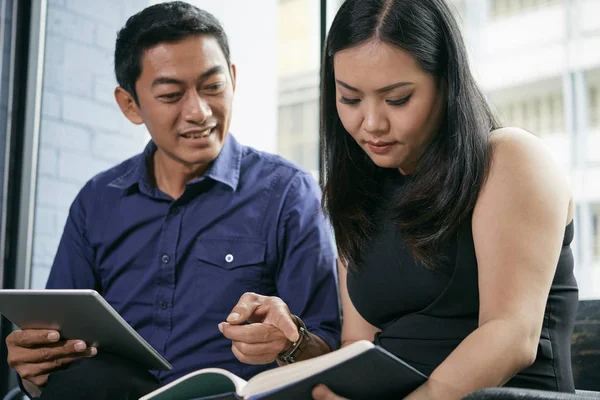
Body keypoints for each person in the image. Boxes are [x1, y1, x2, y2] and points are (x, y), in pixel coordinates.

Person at [220, 0, 578, 399]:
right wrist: (293, 343)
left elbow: (512, 335)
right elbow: (360, 353)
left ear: (446, 83)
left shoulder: (510, 158)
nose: (371, 123)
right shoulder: (360, 196)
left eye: (397, 99)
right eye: (350, 99)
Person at [5, 2, 341, 399]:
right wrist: (34, 372)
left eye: (213, 87)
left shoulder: (288, 193)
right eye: (170, 95)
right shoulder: (97, 201)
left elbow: (328, 351)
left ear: (233, 79)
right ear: (130, 105)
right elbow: (57, 345)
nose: (199, 112)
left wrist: (292, 342)